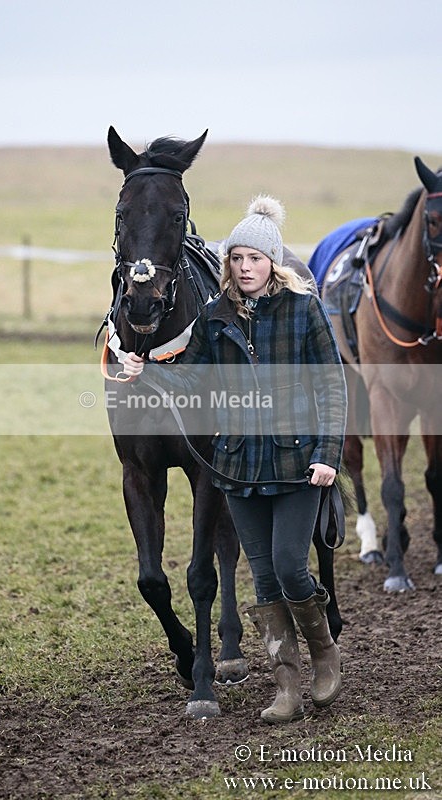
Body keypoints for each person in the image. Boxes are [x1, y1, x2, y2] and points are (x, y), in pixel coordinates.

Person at [123, 195, 347, 723]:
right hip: (238, 467)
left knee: (291, 569)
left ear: (273, 262)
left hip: (296, 464)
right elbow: (192, 379)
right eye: (238, 258)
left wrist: (328, 455)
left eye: (255, 258)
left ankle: (324, 653)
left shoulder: (303, 310)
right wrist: (145, 371)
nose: (245, 268)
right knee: (263, 580)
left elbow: (332, 386)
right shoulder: (214, 317)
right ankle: (287, 688)